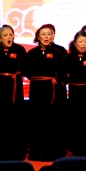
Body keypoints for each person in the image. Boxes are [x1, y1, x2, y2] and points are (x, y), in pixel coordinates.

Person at [23, 24, 67, 161]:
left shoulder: (58, 52)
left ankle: (54, 153)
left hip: (53, 91)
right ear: (38, 36)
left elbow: (63, 72)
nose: (46, 37)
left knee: (53, 120)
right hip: (37, 90)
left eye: (49, 34)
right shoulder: (31, 53)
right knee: (38, 120)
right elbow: (26, 71)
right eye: (43, 34)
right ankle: (38, 153)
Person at [0, 24, 27, 160]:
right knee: (0, 120)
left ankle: (16, 152)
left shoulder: (19, 50)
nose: (9, 37)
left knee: (15, 119)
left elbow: (26, 68)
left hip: (15, 89)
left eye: (10, 35)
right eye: (5, 35)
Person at [59, 30, 86, 156]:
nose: (83, 44)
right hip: (75, 92)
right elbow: (63, 74)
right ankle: (77, 149)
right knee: (76, 120)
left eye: (85, 42)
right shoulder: (69, 58)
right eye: (80, 42)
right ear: (75, 43)